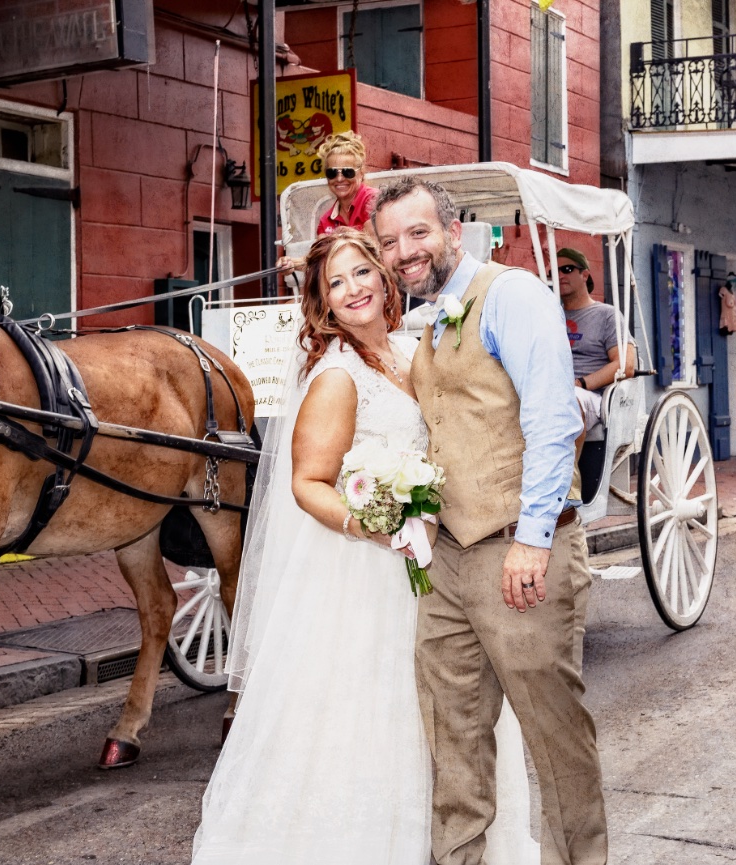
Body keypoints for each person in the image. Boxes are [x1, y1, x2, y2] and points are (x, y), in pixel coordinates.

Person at [191, 228, 537, 864]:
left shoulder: (413, 353)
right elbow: (306, 483)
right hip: (364, 574)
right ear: (322, 303)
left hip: (440, 563)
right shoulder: (337, 376)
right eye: (335, 283)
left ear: (384, 278)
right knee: (372, 715)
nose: (352, 290)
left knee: (454, 705)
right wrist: (374, 522)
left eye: (360, 273)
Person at [373, 178, 608, 865]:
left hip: (517, 549)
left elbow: (551, 417)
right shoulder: (431, 316)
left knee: (553, 732)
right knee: (452, 733)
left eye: (416, 233)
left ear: (453, 231)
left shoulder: (510, 294)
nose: (402, 251)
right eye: (389, 241)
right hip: (443, 558)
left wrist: (532, 541)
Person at [553, 247, 636, 432]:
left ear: (585, 275)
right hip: (553, 390)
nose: (559, 275)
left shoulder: (606, 315)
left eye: (566, 269)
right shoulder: (551, 316)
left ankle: (569, 462)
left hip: (592, 396)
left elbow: (626, 364)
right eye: (553, 271)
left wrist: (580, 383)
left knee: (569, 401)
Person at [276, 131, 377, 275]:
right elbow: (319, 260)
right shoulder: (326, 220)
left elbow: (376, 249)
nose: (340, 179)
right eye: (332, 173)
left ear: (361, 173)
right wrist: (292, 263)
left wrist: (344, 236)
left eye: (348, 172)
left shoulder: (372, 200)